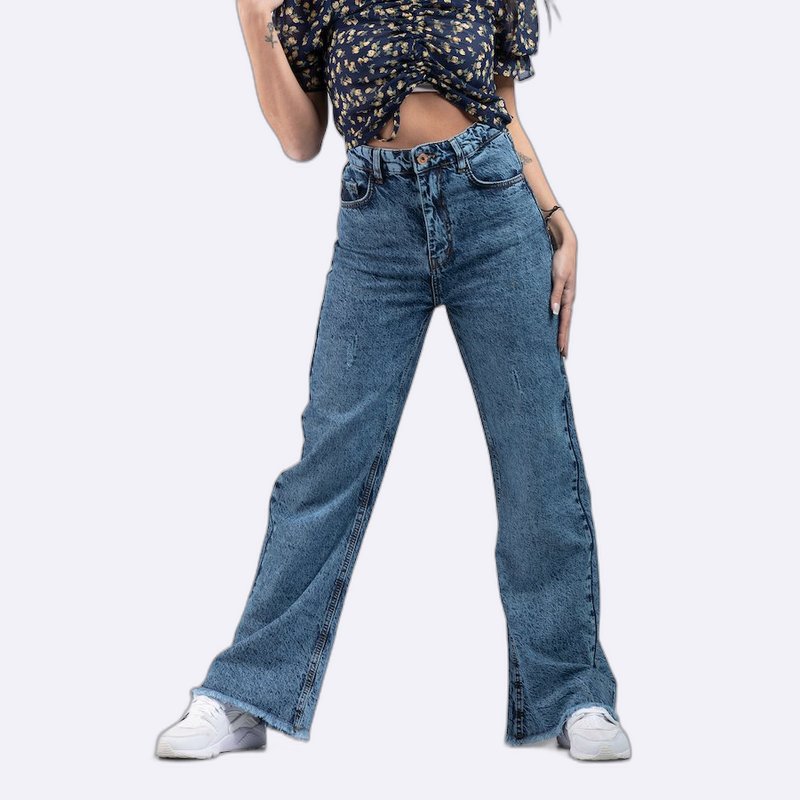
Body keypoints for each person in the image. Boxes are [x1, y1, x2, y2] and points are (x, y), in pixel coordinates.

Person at [155, 0, 632, 762]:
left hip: (493, 206)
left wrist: (555, 213)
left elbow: (502, 108)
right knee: (328, 462)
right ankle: (247, 693)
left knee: (536, 454)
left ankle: (574, 691)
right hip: (375, 220)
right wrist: (252, 15)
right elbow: (300, 140)